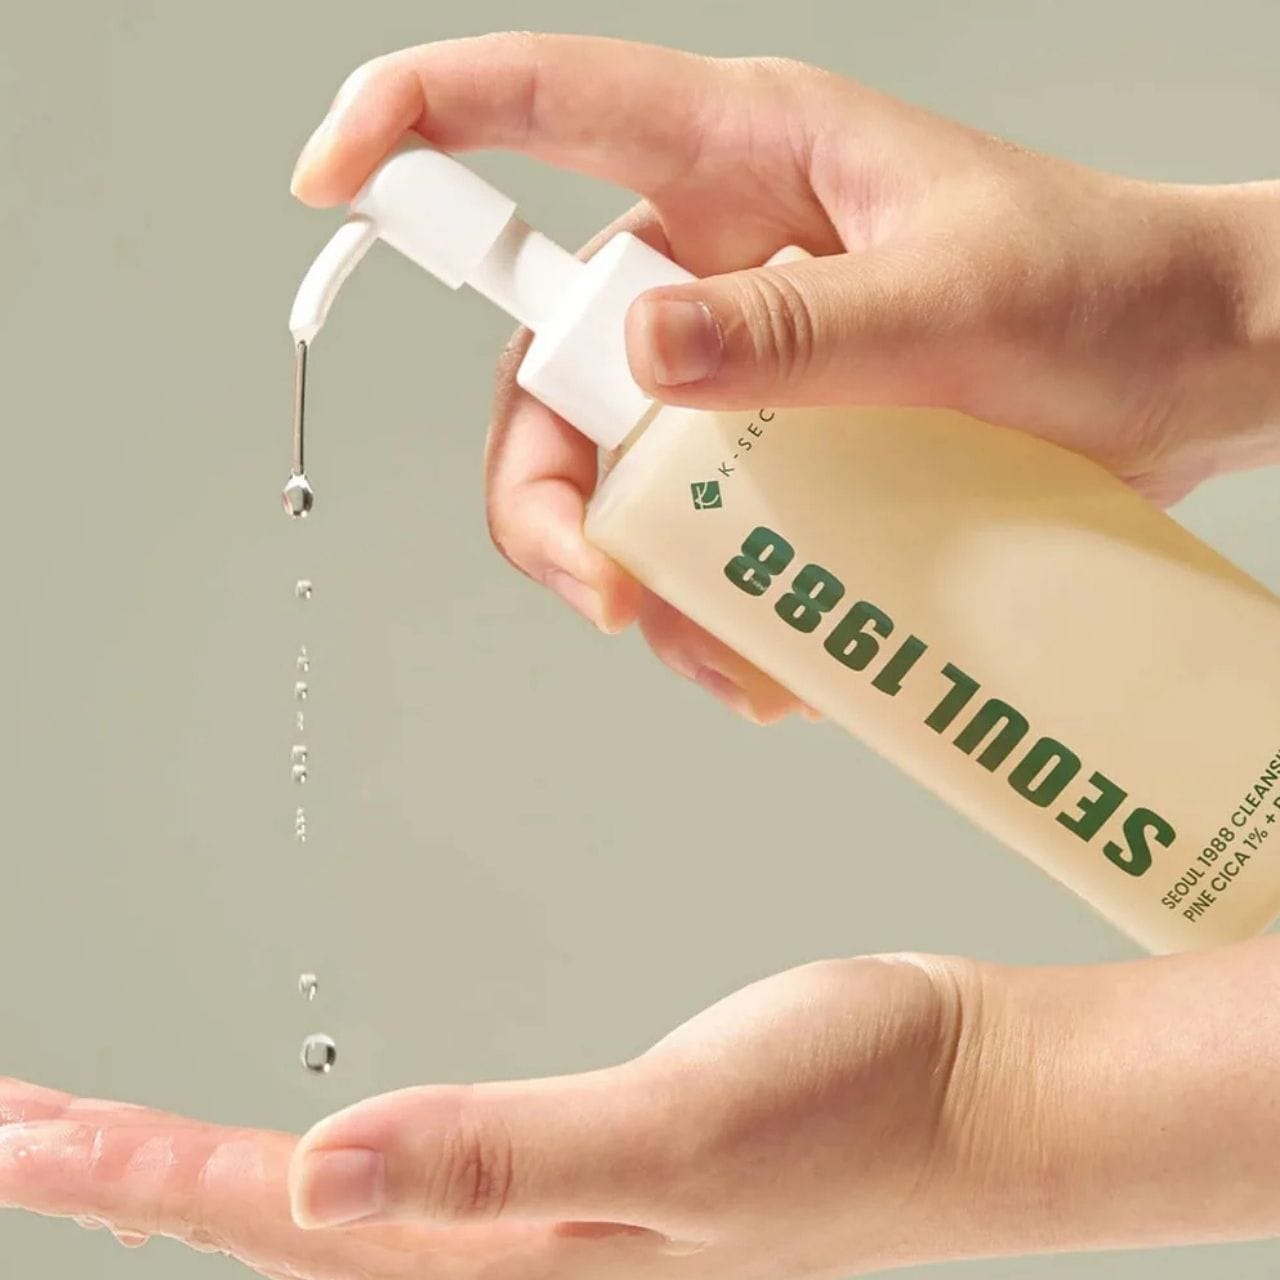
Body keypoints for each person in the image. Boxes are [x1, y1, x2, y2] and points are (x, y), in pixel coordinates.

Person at [3, 31, 1279, 1279]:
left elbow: (979, 1109)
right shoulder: (661, 502)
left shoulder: (756, 410)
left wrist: (964, 1114)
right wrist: (1214, 304)